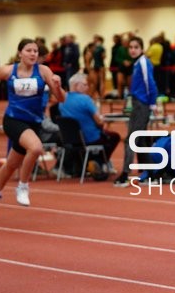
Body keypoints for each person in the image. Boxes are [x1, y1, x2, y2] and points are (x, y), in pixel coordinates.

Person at [0, 39, 65, 214]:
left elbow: (62, 99)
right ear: (20, 53)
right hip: (13, 120)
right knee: (36, 148)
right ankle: (23, 186)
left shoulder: (44, 71)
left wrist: (58, 86)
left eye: (35, 51)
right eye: (29, 50)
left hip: (34, 123)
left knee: (11, 164)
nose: (33, 54)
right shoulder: (10, 70)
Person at [114, 36, 159, 187]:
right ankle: (151, 174)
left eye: (136, 47)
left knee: (131, 139)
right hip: (136, 103)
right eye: (131, 47)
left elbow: (150, 83)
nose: (132, 50)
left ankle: (125, 174)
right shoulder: (137, 64)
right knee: (141, 139)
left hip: (142, 104)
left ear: (141, 49)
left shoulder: (144, 62)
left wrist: (153, 104)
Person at [59, 72, 121, 166]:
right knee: (114, 137)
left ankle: (87, 164)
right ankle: (100, 162)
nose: (87, 87)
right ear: (76, 85)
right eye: (85, 84)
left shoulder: (62, 100)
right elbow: (99, 122)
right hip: (90, 138)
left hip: (70, 139)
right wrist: (103, 120)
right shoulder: (86, 99)